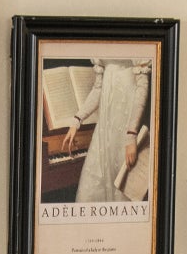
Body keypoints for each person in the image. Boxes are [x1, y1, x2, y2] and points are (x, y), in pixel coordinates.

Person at [60, 57, 151, 204]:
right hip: (105, 125)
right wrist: (77, 120)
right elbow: (98, 88)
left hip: (126, 121)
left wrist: (131, 135)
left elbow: (142, 87)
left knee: (122, 185)